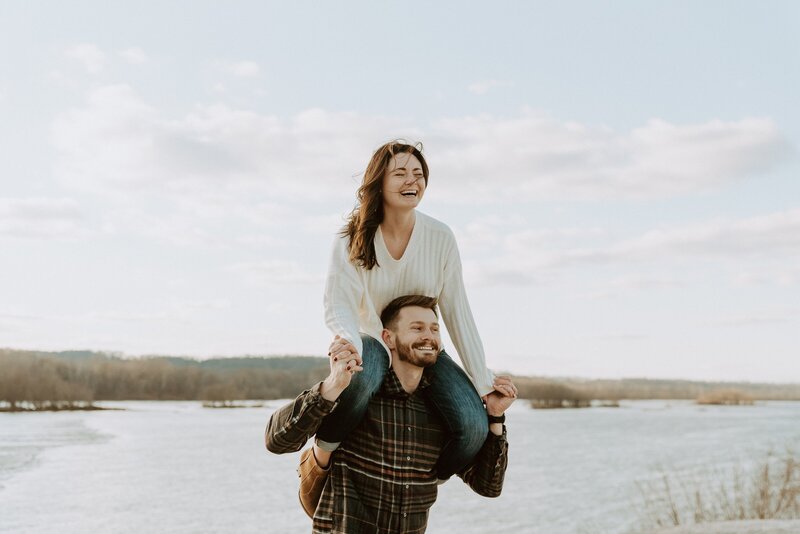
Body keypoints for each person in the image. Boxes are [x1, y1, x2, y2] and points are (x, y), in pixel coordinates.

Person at [316, 140, 500, 482]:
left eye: (418, 174)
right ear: (379, 182)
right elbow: (338, 300)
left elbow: (458, 310)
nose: (411, 181)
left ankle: (422, 484)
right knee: (364, 376)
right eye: (399, 173)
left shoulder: (440, 237)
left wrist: (483, 380)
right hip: (372, 342)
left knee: (473, 426)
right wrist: (348, 343)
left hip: (423, 348)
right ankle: (320, 459)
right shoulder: (352, 237)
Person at [265, 295, 517, 533]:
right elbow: (276, 440)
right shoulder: (359, 395)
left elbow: (489, 486)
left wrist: (495, 417)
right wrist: (331, 386)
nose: (428, 336)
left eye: (434, 329)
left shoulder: (445, 415)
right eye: (417, 328)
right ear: (388, 338)